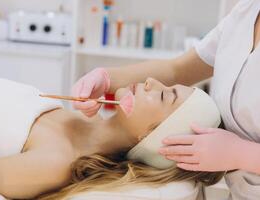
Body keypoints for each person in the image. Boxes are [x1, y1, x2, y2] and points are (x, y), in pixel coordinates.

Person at [72, 1, 260, 199]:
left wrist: (242, 153)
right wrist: (107, 78)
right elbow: (177, 70)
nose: (150, 82)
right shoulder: (247, 11)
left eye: (165, 96)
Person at [0, 78, 223, 200]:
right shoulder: (80, 115)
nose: (151, 82)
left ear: (153, 136)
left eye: (165, 96)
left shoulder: (55, 164)